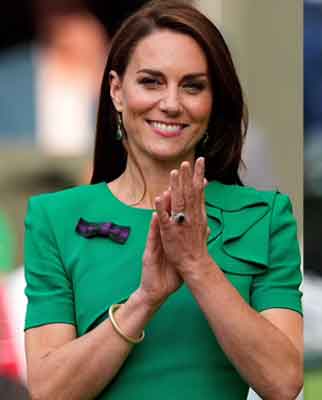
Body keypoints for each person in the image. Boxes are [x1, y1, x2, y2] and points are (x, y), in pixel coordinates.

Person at [23, 1, 303, 399]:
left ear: (213, 101)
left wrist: (197, 266)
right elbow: (49, 391)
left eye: (193, 86)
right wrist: (145, 299)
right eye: (151, 82)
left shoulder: (264, 217)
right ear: (117, 91)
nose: (171, 103)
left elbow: (283, 381)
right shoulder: (55, 218)